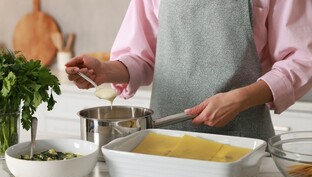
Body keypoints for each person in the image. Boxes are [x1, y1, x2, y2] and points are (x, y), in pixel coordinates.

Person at [65, 0, 312, 141]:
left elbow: (302, 58)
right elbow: (143, 55)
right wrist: (105, 71)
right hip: (163, 140)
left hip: (244, 143)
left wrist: (240, 98)